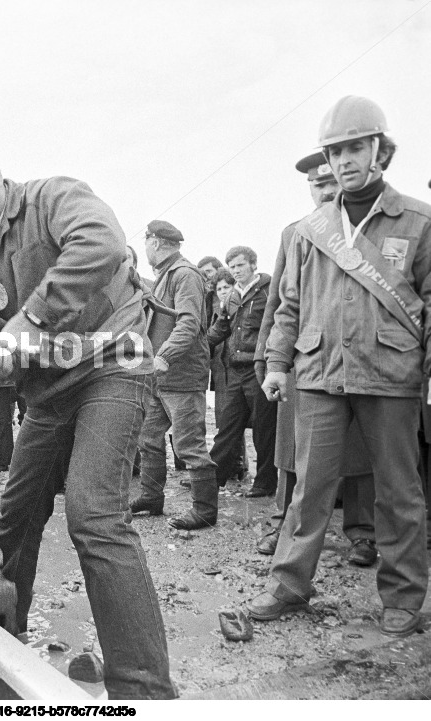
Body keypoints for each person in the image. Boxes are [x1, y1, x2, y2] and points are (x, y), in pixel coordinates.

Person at [0, 130, 175, 699]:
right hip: (49, 392)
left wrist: (27, 325)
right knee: (16, 515)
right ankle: (2, 649)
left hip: (113, 365)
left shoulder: (52, 196)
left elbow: (101, 243)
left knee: (94, 515)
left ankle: (144, 693)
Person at [250, 96, 431, 638]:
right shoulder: (310, 229)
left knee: (398, 490)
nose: (344, 159)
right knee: (310, 486)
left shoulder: (419, 222)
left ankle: (402, 596)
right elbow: (289, 305)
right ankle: (289, 586)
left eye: (355, 147)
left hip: (391, 372)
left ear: (381, 150)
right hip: (320, 371)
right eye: (336, 150)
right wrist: (278, 365)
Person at [254, 152, 376, 563]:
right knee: (293, 452)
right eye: (316, 184)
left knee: (360, 450)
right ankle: (286, 526)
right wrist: (269, 361)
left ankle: (363, 532)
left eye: (330, 182)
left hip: (363, 357)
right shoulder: (297, 232)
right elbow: (278, 305)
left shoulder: (371, 229)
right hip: (306, 360)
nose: (325, 190)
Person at [129, 220, 217, 530]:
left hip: (181, 376)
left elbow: (189, 324)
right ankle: (152, 497)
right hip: (160, 377)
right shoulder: (165, 276)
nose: (146, 251)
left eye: (146, 245)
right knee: (149, 438)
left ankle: (205, 510)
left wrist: (164, 356)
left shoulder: (184, 275)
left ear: (154, 243)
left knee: (188, 444)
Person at [208, 245, 278, 497]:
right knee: (227, 426)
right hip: (235, 372)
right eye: (232, 266)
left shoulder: (270, 291)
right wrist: (201, 346)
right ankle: (214, 478)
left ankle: (266, 482)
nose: (236, 270)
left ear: (253, 264)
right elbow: (220, 329)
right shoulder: (231, 296)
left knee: (264, 429)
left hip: (260, 370)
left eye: (240, 265)